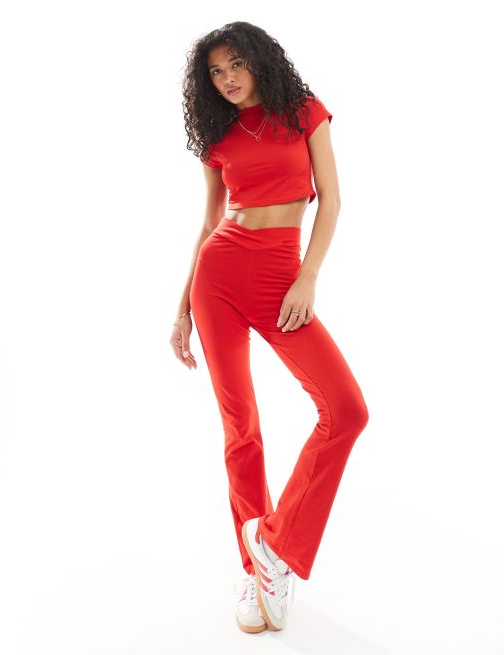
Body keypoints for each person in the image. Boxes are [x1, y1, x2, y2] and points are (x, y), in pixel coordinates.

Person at [170, 21, 369, 633]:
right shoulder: (219, 135)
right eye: (215, 72)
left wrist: (307, 278)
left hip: (284, 280)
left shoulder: (304, 112)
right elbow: (209, 224)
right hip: (219, 279)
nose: (227, 79)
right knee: (242, 429)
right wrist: (182, 308)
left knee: (345, 409)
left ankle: (273, 544)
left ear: (259, 60)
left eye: (236, 64)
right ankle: (256, 575)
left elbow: (331, 199)